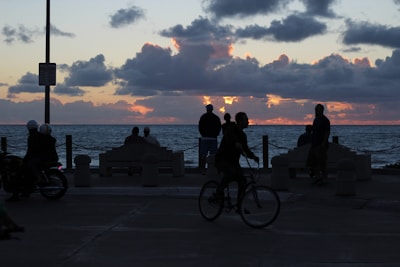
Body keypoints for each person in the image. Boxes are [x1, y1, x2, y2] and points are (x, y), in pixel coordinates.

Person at [214, 112, 259, 202]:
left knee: (243, 181)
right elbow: (228, 138)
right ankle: (218, 192)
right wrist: (235, 143)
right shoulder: (231, 129)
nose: (248, 122)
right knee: (230, 173)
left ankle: (240, 205)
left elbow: (245, 149)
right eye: (246, 120)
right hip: (222, 160)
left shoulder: (243, 135)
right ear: (240, 121)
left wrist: (253, 157)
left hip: (234, 162)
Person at [306, 104, 331, 185]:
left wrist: (323, 143)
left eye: (318, 110)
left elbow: (327, 133)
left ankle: (324, 178)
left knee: (322, 162)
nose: (316, 111)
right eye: (316, 109)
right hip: (314, 144)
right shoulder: (316, 120)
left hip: (321, 145)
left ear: (322, 110)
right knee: (313, 162)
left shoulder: (325, 120)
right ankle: (318, 177)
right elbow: (315, 131)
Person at [198, 104, 221, 174]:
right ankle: (212, 169)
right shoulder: (216, 118)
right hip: (213, 138)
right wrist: (216, 134)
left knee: (203, 155)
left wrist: (202, 134)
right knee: (213, 155)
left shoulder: (203, 117)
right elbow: (219, 127)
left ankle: (202, 170)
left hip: (204, 138)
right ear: (212, 109)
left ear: (207, 109)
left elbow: (200, 127)